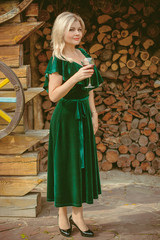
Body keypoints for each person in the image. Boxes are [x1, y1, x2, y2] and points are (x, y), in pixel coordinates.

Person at [43, 11, 103, 238]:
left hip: (84, 115)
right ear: (61, 31)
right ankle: (62, 214)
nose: (77, 33)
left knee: (82, 164)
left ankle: (77, 215)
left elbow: (89, 90)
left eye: (79, 29)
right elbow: (54, 96)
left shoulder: (83, 54)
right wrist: (75, 77)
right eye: (72, 29)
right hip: (66, 117)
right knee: (65, 164)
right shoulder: (57, 59)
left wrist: (94, 113)